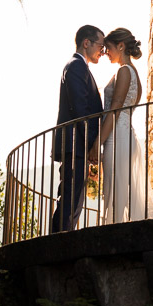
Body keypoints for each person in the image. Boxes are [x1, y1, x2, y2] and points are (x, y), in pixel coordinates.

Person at [96, 27, 153, 224]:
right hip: (125, 136)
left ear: (121, 46)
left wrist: (98, 142)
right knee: (119, 192)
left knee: (114, 192)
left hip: (116, 138)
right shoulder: (135, 75)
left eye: (108, 48)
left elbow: (115, 110)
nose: (106, 53)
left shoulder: (124, 71)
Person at [51, 24, 104, 232]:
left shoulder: (81, 67)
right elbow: (80, 110)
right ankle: (57, 244)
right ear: (86, 43)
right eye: (100, 45)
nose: (102, 50)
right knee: (69, 200)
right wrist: (92, 145)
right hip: (75, 144)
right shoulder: (76, 66)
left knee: (74, 201)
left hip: (78, 144)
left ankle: (63, 239)